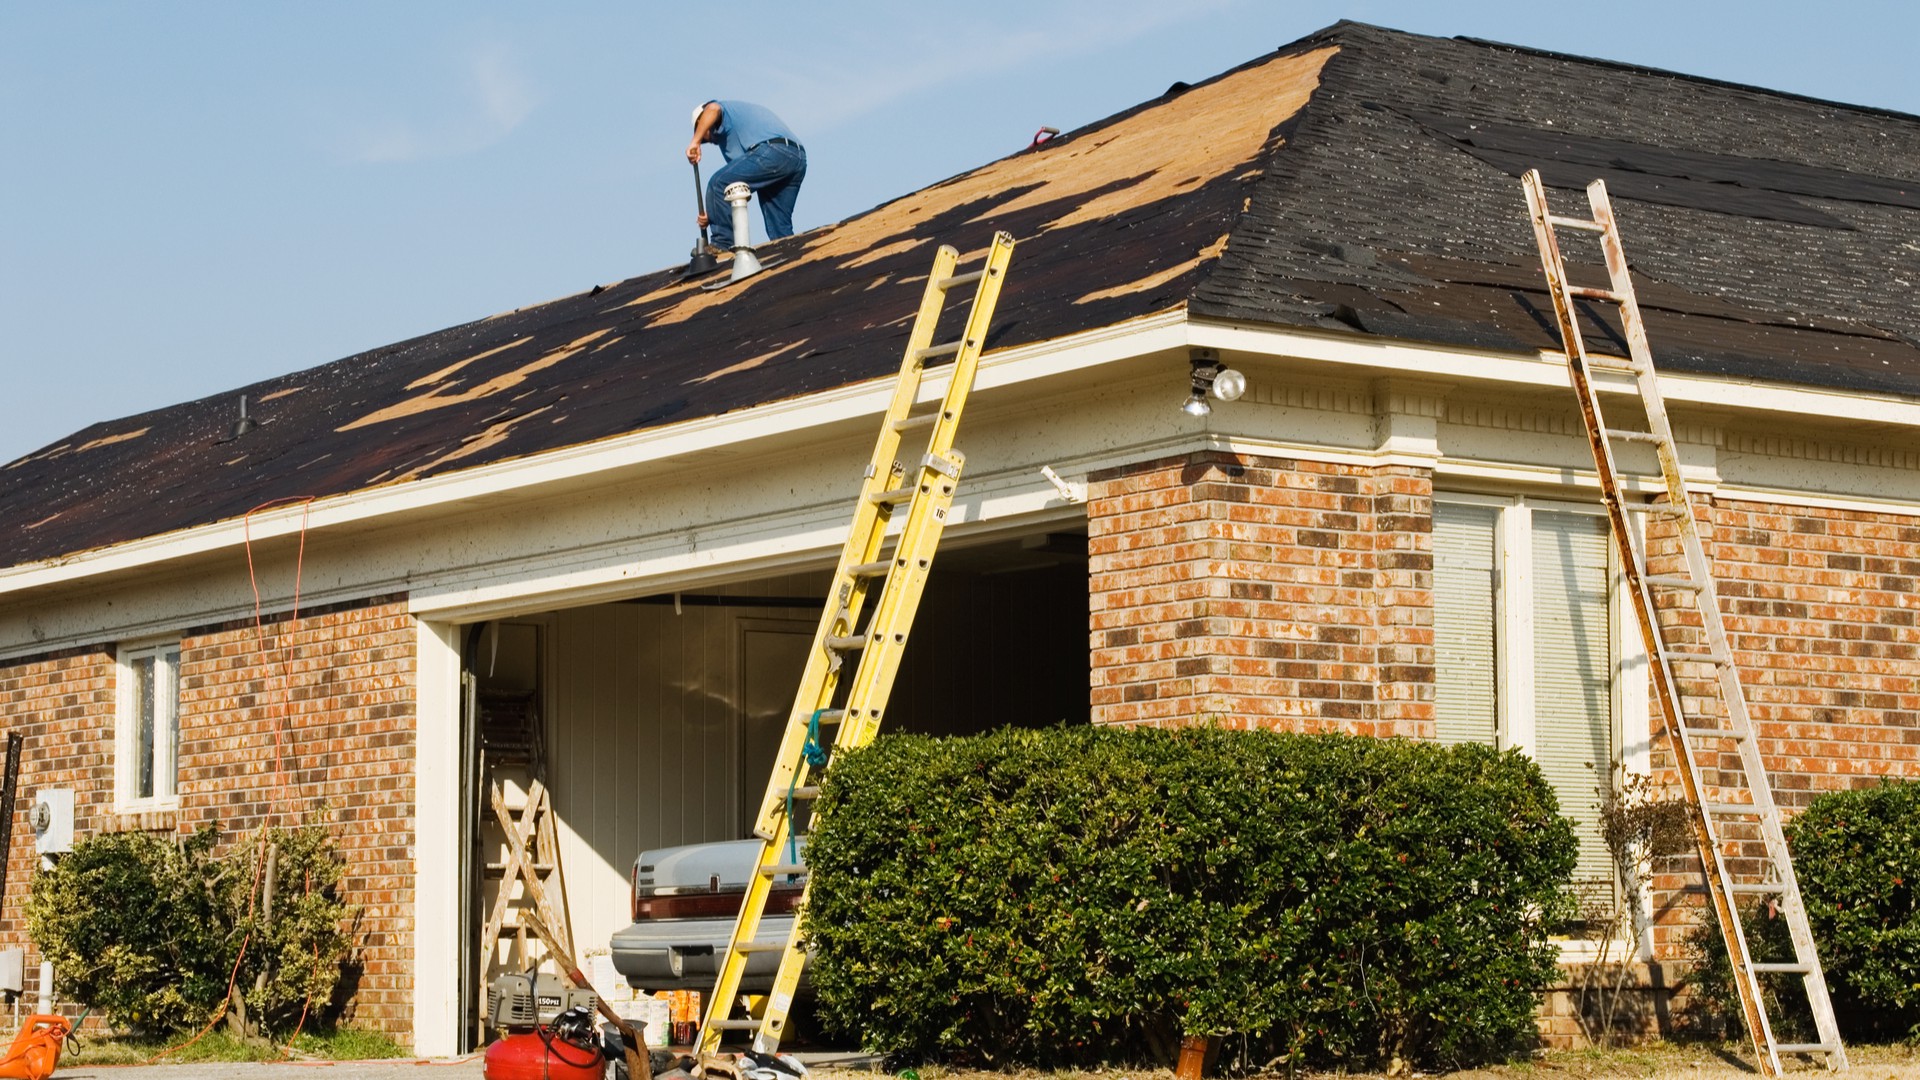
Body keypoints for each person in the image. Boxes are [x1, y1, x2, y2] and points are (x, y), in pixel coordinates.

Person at [687, 100, 807, 250]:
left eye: (703, 135)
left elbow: (713, 108)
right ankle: (790, 255)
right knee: (779, 230)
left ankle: (722, 245)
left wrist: (695, 142)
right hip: (796, 158)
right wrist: (714, 213)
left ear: (702, 120)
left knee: (718, 182)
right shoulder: (731, 140)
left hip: (773, 151)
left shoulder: (721, 111)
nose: (708, 140)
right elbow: (736, 189)